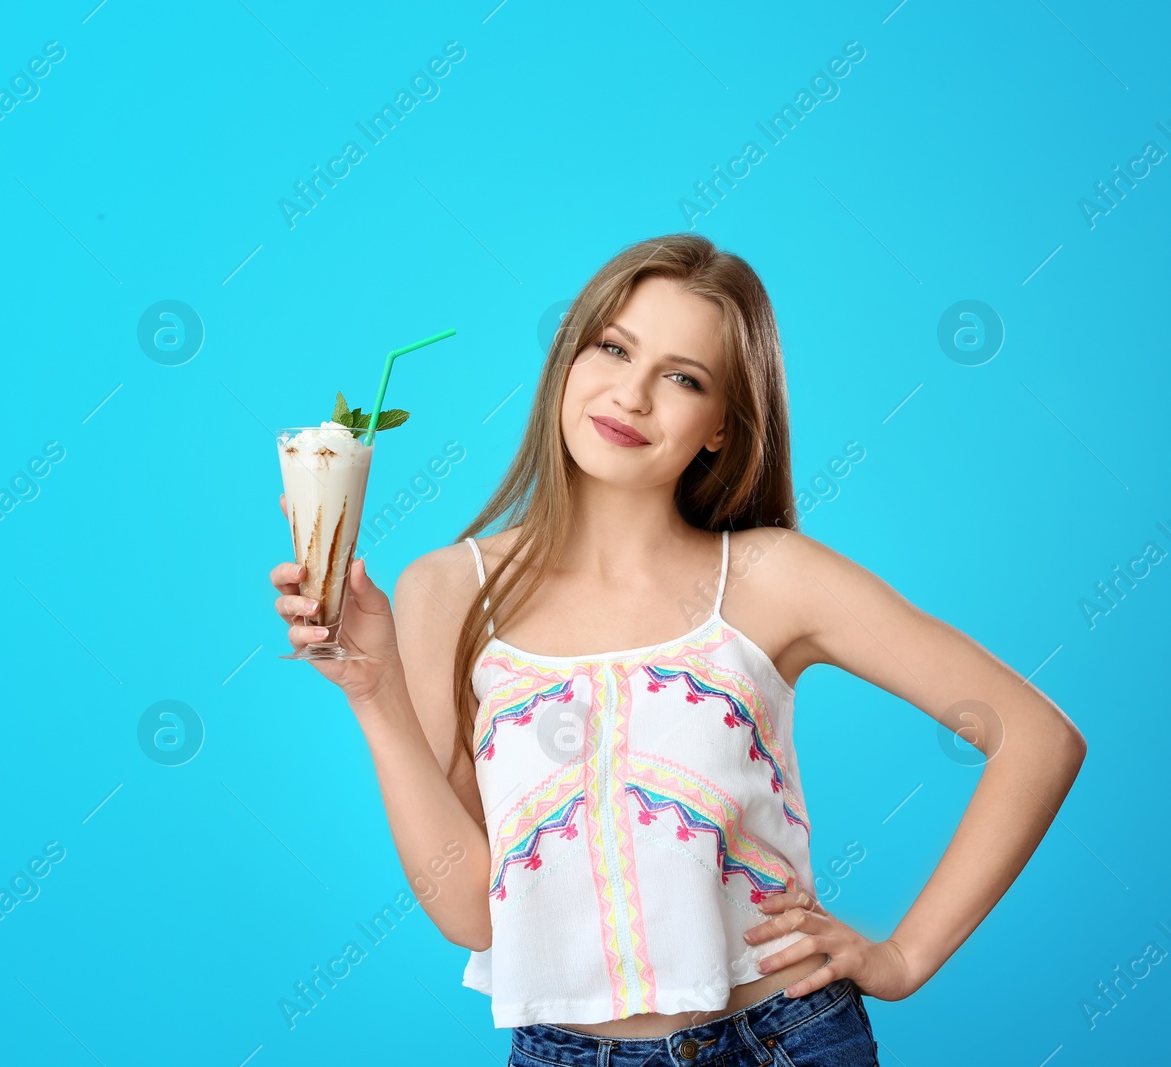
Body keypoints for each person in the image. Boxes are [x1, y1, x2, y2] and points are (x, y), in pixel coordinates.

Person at [268, 233, 1085, 1064]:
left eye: (683, 377)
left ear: (723, 425)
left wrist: (903, 957)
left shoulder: (775, 578)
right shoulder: (447, 589)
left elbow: (1035, 735)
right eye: (613, 348)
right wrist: (374, 693)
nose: (631, 394)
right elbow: (474, 916)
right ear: (567, 361)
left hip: (783, 1041)